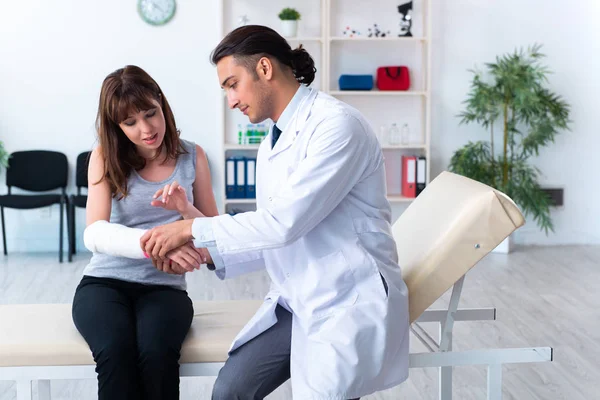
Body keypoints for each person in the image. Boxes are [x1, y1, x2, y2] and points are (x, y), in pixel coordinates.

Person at [141, 25, 410, 400]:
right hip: (298, 296)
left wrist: (190, 229)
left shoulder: (336, 126)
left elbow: (283, 225)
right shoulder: (272, 142)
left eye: (233, 84)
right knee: (231, 390)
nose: (231, 101)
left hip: (346, 298)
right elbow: (269, 234)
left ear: (264, 68)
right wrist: (206, 253)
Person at [72, 65, 218, 400]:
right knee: (115, 353)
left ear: (162, 104)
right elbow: (94, 232)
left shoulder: (192, 157)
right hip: (104, 283)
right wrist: (158, 247)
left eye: (150, 114)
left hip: (164, 288)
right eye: (130, 122)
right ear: (117, 126)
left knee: (157, 355)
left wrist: (185, 211)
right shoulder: (105, 157)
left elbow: (215, 240)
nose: (146, 128)